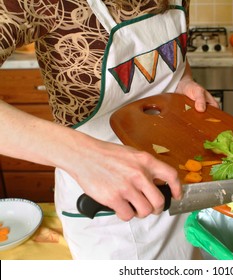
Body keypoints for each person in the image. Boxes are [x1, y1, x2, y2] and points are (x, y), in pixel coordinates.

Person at [0, 0, 218, 259]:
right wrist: (83, 157)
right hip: (108, 209)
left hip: (184, 180)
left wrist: (183, 81)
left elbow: (173, 55)